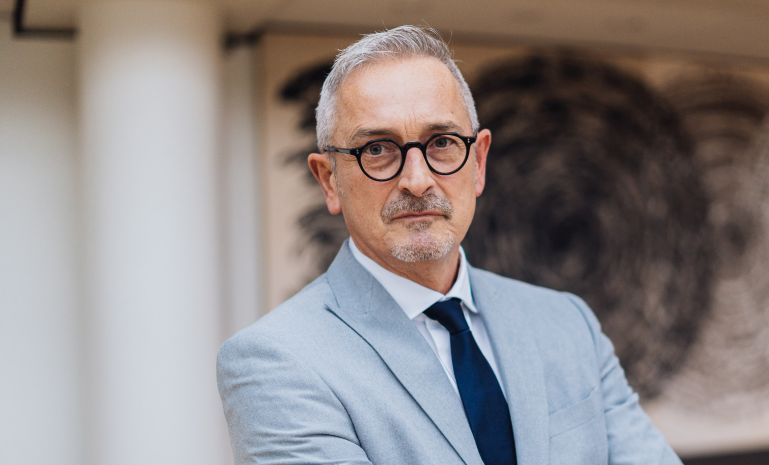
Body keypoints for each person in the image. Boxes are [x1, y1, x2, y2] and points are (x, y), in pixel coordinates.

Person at [216, 25, 683, 465]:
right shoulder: (277, 362)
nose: (417, 180)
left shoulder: (567, 324)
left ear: (478, 163)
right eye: (377, 149)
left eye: (441, 142)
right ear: (328, 180)